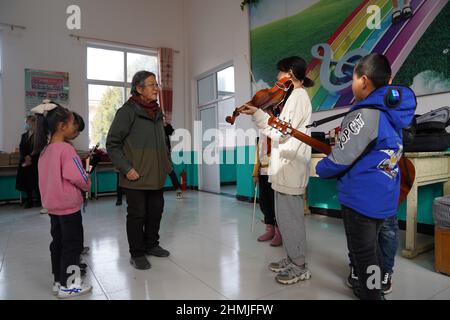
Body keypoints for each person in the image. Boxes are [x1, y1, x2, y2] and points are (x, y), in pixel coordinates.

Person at [316, 53, 416, 300]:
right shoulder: (395, 114)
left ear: (363, 81)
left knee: (365, 254)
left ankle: (372, 294)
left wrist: (321, 168)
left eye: (352, 78)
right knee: (380, 248)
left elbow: (340, 159)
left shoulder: (364, 114)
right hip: (386, 198)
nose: (352, 85)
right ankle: (379, 283)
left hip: (361, 201)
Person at [242, 56, 313, 285]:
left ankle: (299, 265)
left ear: (290, 73)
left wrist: (259, 115)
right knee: (284, 217)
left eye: (279, 74)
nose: (276, 80)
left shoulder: (298, 97)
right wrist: (260, 115)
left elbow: (282, 132)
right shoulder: (292, 97)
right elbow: (280, 130)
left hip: (291, 166)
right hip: (284, 166)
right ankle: (292, 258)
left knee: (291, 218)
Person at [106, 71, 172, 270]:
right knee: (137, 215)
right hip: (135, 176)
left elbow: (163, 142)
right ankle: (137, 253)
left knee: (156, 212)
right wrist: (126, 168)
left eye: (156, 84)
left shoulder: (157, 112)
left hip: (156, 174)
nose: (156, 88)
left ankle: (151, 244)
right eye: (151, 85)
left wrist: (167, 164)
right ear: (139, 89)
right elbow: (112, 144)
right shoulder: (127, 112)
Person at [32, 101, 92, 299]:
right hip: (68, 207)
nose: (75, 127)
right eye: (74, 123)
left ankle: (58, 281)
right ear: (62, 126)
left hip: (53, 208)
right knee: (72, 245)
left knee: (57, 243)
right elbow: (78, 176)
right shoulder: (66, 150)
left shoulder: (45, 151)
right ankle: (70, 285)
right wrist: (87, 183)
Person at [252, 123, 282, 247]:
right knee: (264, 203)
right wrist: (255, 173)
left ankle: (279, 233)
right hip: (263, 173)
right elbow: (257, 157)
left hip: (274, 172)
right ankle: (270, 229)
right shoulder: (260, 136)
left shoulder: (277, 133)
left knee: (276, 204)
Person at [16, 115, 40, 209]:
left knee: (36, 182)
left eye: (28, 122)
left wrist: (31, 157)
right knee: (26, 183)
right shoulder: (24, 135)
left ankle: (39, 200)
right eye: (26, 122)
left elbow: (38, 149)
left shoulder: (38, 136)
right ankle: (29, 201)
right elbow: (21, 148)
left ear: (33, 122)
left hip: (35, 163)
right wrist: (25, 157)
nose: (26, 124)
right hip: (26, 163)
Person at [164, 121, 183, 200]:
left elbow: (171, 132)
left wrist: (167, 124)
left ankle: (178, 190)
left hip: (165, 152)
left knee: (171, 171)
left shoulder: (164, 127)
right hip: (153, 153)